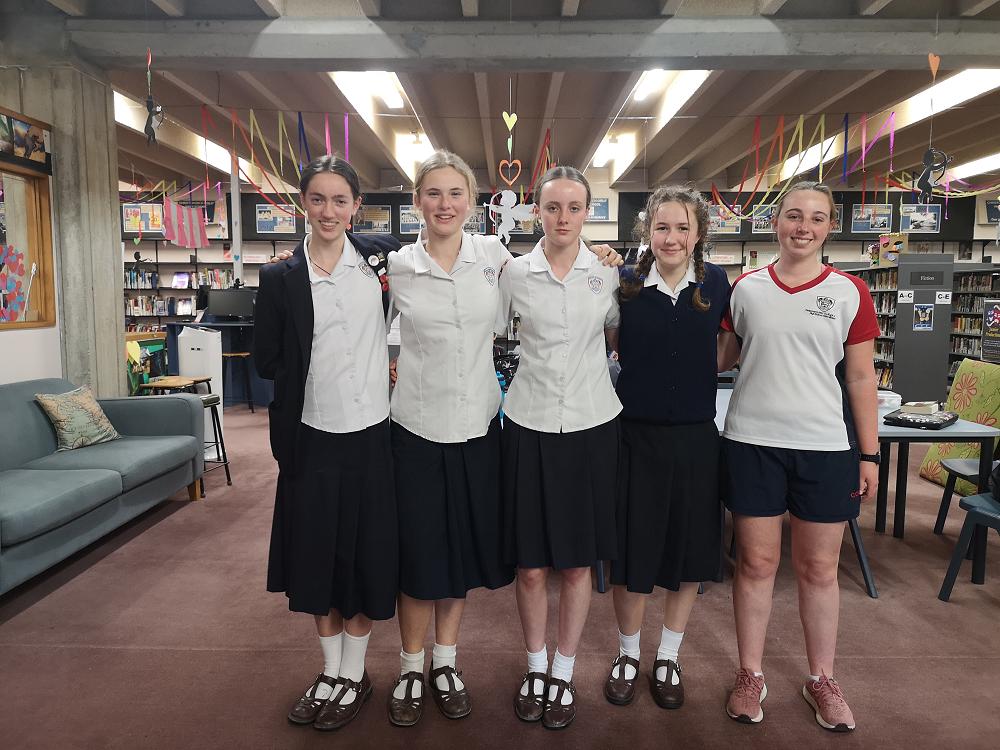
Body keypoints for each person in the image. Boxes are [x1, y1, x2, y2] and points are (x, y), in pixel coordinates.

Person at [717, 181, 879, 733]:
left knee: (818, 569)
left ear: (830, 227)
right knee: (756, 565)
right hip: (752, 442)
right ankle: (750, 673)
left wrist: (869, 453)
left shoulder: (851, 291)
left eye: (815, 217)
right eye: (792, 215)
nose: (802, 227)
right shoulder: (745, 289)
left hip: (825, 448)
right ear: (776, 222)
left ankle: (822, 678)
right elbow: (719, 358)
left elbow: (861, 377)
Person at [254, 155, 400, 732]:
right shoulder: (280, 278)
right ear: (303, 204)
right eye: (318, 199)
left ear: (356, 206)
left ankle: (355, 675)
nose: (329, 210)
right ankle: (331, 671)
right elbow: (267, 359)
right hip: (311, 435)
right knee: (317, 559)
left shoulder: (380, 261)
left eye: (341, 200)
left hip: (372, 436)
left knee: (363, 557)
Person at [383, 150, 515, 726]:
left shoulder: (495, 258)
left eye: (455, 193)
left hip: (478, 427)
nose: (445, 204)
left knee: (457, 552)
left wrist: (604, 255)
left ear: (471, 201)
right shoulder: (397, 264)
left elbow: (550, 278)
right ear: (417, 201)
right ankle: (410, 667)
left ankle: (445, 663)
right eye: (433, 193)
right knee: (419, 554)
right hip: (415, 428)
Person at [498, 165, 621, 730]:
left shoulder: (609, 274)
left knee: (575, 563)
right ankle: (535, 666)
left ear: (588, 212)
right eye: (552, 207)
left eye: (574, 208)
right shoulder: (513, 274)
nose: (563, 218)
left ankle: (564, 672)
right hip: (529, 423)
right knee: (530, 565)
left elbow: (620, 335)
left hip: (593, 426)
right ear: (537, 212)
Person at [603, 186, 729, 711]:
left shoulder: (717, 283)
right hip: (636, 438)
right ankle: (628, 653)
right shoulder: (626, 285)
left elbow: (729, 347)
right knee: (632, 553)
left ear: (698, 234)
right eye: (662, 227)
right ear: (647, 232)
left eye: (682, 228)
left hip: (697, 439)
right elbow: (612, 344)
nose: (671, 237)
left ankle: (669, 656)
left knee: (688, 553)